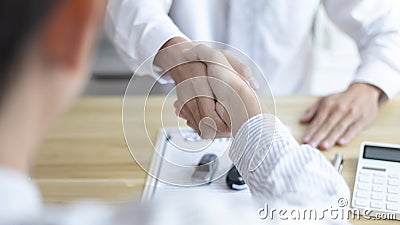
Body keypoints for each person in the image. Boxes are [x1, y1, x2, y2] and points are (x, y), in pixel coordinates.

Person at [0, 0, 352, 224]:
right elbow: (324, 210)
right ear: (73, 34)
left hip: (290, 98)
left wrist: (371, 84)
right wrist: (251, 121)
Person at [106, 0, 400, 150]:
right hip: (178, 115)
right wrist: (181, 59)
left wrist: (370, 86)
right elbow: (127, 7)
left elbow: (386, 24)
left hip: (293, 122)